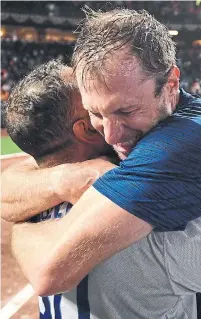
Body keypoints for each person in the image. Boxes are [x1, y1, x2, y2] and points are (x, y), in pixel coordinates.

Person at [2, 8, 201, 295]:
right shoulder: (150, 117)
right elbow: (10, 184)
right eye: (96, 113)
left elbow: (49, 272)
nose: (109, 135)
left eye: (126, 111)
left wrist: (24, 222)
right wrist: (67, 178)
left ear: (171, 84)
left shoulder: (179, 144)